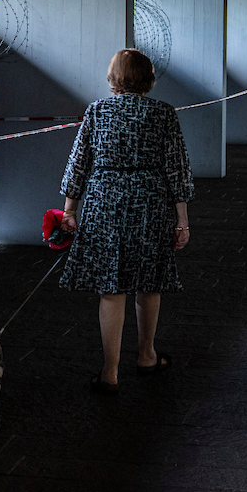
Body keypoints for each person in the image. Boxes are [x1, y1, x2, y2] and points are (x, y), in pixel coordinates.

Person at [57, 49, 194, 394]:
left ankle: (110, 371)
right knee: (149, 283)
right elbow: (177, 169)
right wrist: (182, 222)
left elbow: (79, 164)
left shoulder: (97, 111)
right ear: (148, 77)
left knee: (111, 287)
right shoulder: (163, 113)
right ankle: (147, 355)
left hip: (104, 202)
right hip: (150, 202)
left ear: (113, 76)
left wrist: (69, 210)